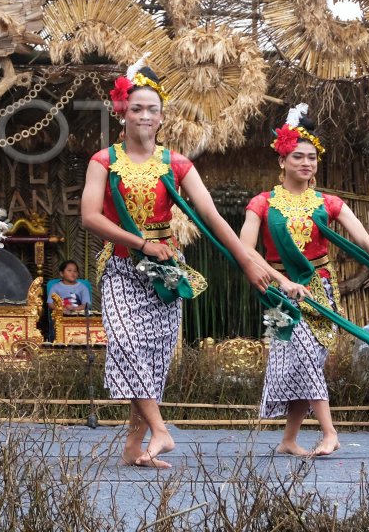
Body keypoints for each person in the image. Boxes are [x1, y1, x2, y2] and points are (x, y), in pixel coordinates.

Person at [81, 57, 307, 469]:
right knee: (128, 344)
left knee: (152, 355)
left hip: (168, 273)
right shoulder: (104, 161)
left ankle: (135, 446)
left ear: (162, 117)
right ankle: (162, 432)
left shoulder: (177, 163)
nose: (145, 115)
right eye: (137, 108)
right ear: (122, 112)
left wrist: (249, 263)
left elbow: (214, 219)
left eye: (152, 109)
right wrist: (139, 243)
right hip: (120, 267)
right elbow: (90, 217)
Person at [240, 104, 369, 457]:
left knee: (307, 358)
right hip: (281, 293)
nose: (306, 163)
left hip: (320, 292)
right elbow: (244, 250)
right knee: (303, 356)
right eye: (298, 156)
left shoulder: (329, 203)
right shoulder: (262, 204)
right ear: (282, 161)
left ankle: (308, 437)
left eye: (312, 157)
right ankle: (311, 436)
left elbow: (367, 244)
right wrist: (281, 282)